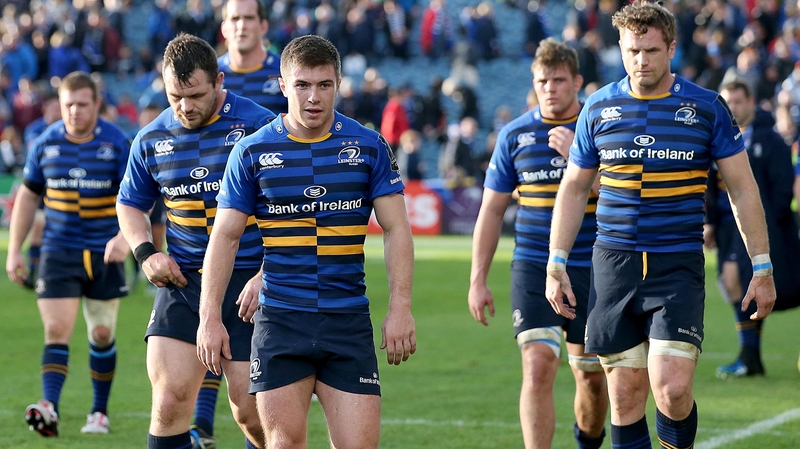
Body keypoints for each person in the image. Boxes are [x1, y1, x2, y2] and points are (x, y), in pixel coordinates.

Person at [545, 2, 777, 448]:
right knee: (624, 394)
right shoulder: (598, 107)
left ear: (671, 48)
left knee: (672, 389)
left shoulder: (706, 107)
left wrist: (762, 266)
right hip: (614, 264)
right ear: (620, 47)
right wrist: (556, 263)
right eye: (632, 51)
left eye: (651, 51)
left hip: (676, 264)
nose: (641, 61)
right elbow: (574, 189)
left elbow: (742, 188)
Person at [196, 35, 416, 449]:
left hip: (347, 319)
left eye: (324, 85)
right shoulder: (252, 152)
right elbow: (224, 237)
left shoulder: (368, 146)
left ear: (338, 85)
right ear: (283, 85)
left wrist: (400, 307)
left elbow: (396, 228)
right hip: (281, 320)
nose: (313, 97)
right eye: (302, 85)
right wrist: (209, 317)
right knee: (283, 444)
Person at [115, 34, 275, 449]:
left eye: (196, 95)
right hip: (184, 282)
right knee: (169, 402)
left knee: (250, 412)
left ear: (219, 81)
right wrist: (145, 253)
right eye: (175, 97)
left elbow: (291, 210)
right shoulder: (151, 138)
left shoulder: (259, 128)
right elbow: (129, 203)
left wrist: (266, 272)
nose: (185, 106)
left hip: (248, 285)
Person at [468, 38, 607, 449]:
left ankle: (588, 441)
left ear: (577, 82)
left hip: (592, 266)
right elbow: (492, 211)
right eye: (542, 81)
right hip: (533, 264)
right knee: (538, 364)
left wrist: (579, 158)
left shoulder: (599, 126)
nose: (550, 88)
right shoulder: (515, 135)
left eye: (559, 80)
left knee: (590, 375)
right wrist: (477, 279)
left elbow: (625, 195)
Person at [5, 71, 131, 437]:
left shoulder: (116, 143)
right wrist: (14, 250)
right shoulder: (45, 143)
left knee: (102, 333)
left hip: (104, 252)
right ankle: (49, 407)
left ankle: (99, 412)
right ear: (59, 105)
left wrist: (125, 238)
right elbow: (28, 197)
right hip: (58, 251)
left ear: (96, 104)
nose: (75, 111)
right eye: (68, 105)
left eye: (82, 104)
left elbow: (136, 198)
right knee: (56, 329)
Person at [707, 80, 800, 379]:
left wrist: (769, 221)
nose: (732, 108)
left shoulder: (769, 140)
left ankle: (749, 355)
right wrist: (709, 221)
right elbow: (710, 184)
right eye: (728, 103)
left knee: (735, 280)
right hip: (725, 225)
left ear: (750, 102)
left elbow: (782, 188)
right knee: (735, 284)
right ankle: (750, 356)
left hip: (753, 226)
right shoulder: (718, 137)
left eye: (738, 101)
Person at [218, 0, 288, 115]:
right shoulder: (211, 74)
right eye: (235, 18)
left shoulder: (284, 71)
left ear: (263, 26)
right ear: (224, 29)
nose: (241, 26)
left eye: (249, 18)